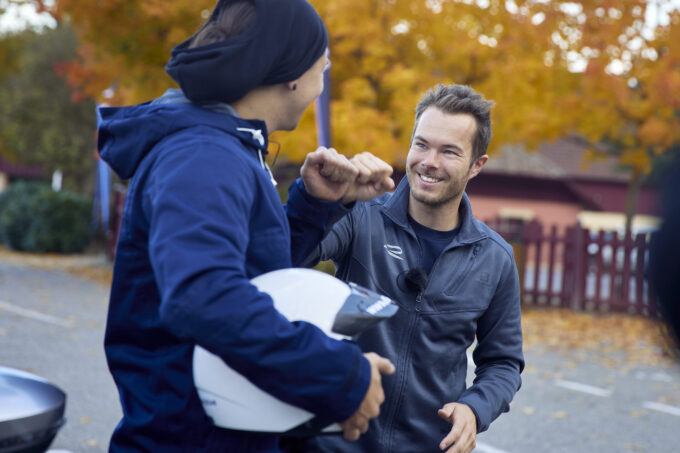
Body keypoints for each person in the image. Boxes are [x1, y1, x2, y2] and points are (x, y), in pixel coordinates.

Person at [97, 1, 396, 451]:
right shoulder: (203, 156)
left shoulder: (225, 149)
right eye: (324, 68)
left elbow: (254, 277)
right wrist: (342, 376)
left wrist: (313, 205)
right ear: (292, 73)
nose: (321, 87)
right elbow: (205, 296)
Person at [289, 84, 525, 453]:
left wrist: (474, 409)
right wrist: (316, 201)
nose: (429, 161)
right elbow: (283, 259)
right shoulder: (359, 216)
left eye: (449, 151)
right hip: (331, 443)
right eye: (421, 144)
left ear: (477, 165)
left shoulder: (494, 257)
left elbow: (503, 362)